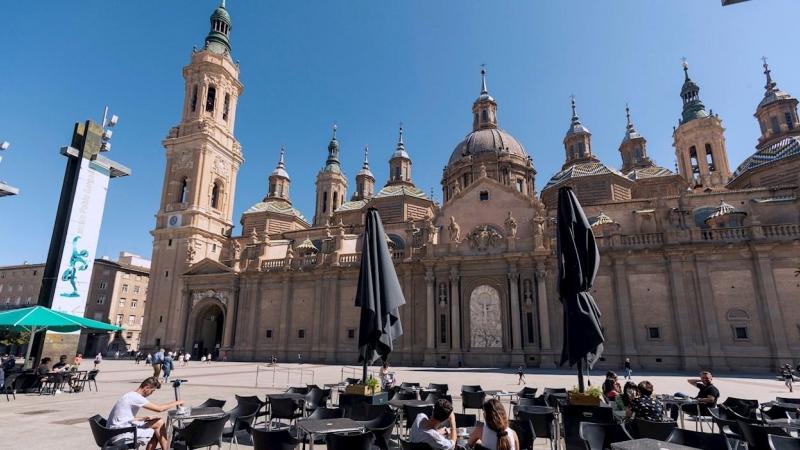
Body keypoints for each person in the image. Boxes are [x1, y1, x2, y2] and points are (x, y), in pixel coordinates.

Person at [107, 377, 184, 450]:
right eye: (152, 391)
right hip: (119, 435)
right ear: (147, 388)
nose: (151, 393)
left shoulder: (130, 395)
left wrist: (143, 418)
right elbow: (160, 409)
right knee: (157, 430)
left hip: (115, 430)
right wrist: (178, 402)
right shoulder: (137, 398)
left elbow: (123, 418)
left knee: (158, 422)